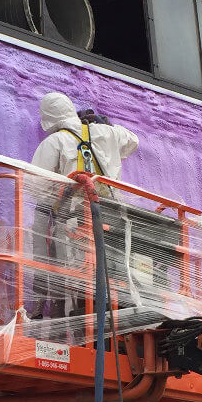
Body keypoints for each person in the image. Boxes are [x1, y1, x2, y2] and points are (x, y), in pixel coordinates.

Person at [28, 92, 140, 338]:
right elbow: (133, 141)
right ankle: (117, 319)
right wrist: (103, 127)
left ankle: (65, 327)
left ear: (47, 119)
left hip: (73, 223)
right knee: (112, 273)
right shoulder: (107, 133)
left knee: (75, 277)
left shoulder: (53, 143)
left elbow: (36, 188)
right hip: (112, 217)